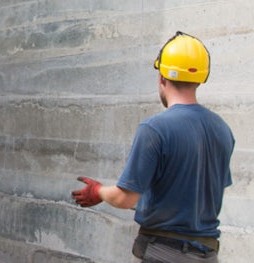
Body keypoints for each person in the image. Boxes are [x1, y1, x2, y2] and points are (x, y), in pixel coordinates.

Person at [72, 32, 235, 262]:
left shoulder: (155, 129)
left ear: (161, 77)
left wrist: (97, 191)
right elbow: (196, 195)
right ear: (200, 79)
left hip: (165, 253)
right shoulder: (222, 129)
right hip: (207, 255)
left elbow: (124, 199)